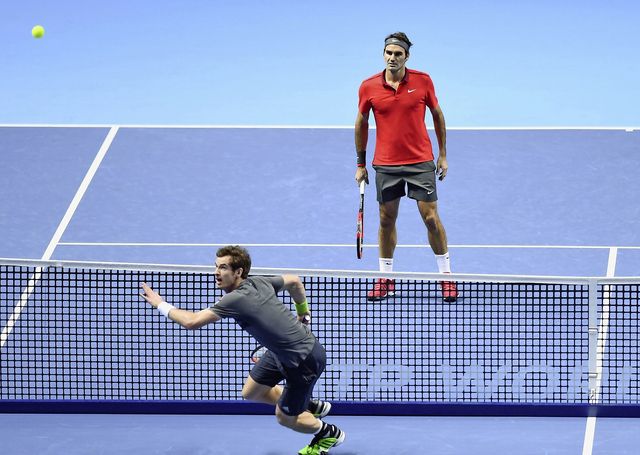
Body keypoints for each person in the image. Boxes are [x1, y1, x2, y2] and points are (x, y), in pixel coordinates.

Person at [140, 245, 345, 455]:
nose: (216, 273)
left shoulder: (235, 299)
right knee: (251, 392)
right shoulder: (260, 281)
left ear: (238, 272)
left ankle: (328, 433)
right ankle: (307, 405)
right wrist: (303, 313)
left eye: (223, 268)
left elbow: (191, 322)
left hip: (304, 360)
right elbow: (294, 281)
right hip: (280, 351)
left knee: (284, 418)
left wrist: (160, 304)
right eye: (216, 266)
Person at [354, 31, 458, 302]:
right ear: (383, 54)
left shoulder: (423, 81)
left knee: (431, 218)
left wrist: (443, 155)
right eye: (388, 53)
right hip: (386, 164)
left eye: (398, 54)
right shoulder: (368, 86)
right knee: (386, 220)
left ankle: (446, 276)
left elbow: (437, 115)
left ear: (406, 57)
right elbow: (361, 123)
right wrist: (360, 164)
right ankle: (386, 278)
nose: (392, 58)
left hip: (420, 162)